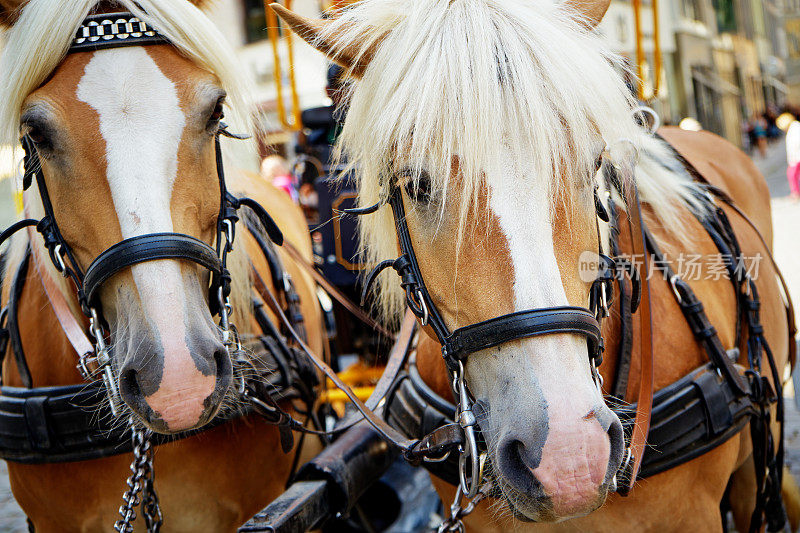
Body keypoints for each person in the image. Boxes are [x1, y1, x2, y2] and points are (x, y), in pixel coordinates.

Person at [786, 115, 800, 200]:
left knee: (791, 175)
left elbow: (794, 144)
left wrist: (793, 157)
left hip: (796, 157)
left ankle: (795, 192)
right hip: (796, 156)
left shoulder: (794, 129)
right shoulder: (795, 127)